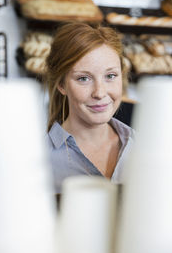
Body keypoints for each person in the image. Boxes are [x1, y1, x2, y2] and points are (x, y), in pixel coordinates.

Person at [45, 21, 134, 194]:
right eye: (83, 78)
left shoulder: (143, 147)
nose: (99, 93)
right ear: (62, 85)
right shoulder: (39, 161)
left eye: (110, 76)